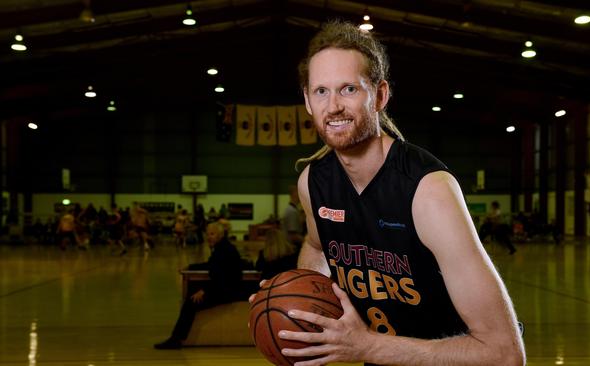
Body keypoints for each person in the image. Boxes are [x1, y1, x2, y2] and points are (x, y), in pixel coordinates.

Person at [265, 21, 525, 365]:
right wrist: (295, 301)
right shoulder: (313, 183)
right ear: (308, 101)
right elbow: (317, 247)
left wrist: (367, 346)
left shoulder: (428, 191)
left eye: (349, 89)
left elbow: (505, 353)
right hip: (384, 357)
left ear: (381, 95)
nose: (334, 106)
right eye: (321, 91)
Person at [154, 222, 243, 349]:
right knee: (191, 298)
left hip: (228, 291)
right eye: (207, 234)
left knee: (191, 303)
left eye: (212, 234)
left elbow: (222, 278)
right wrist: (190, 267)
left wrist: (204, 291)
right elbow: (211, 265)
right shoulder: (222, 248)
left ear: (220, 235)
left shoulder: (224, 250)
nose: (209, 237)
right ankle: (176, 338)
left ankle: (176, 339)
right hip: (225, 288)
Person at [282, 185, 305, 250]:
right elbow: (293, 236)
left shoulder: (293, 210)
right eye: (300, 193)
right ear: (294, 193)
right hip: (292, 248)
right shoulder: (291, 211)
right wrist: (307, 242)